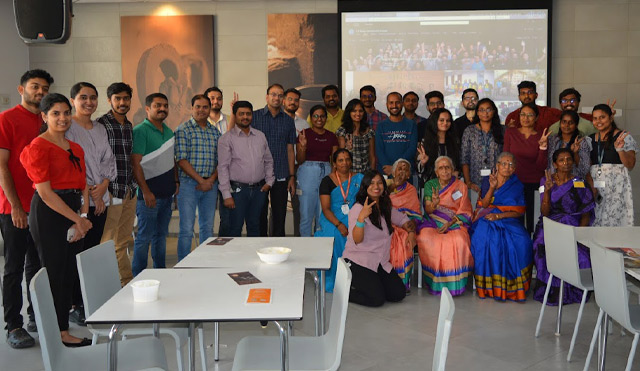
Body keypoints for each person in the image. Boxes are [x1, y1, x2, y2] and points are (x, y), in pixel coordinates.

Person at [20, 93, 92, 347]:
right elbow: (46, 193)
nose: (62, 118)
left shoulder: (76, 148)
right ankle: (57, 332)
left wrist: (83, 215)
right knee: (53, 273)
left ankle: (62, 329)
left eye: (65, 113)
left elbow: (84, 185)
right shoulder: (38, 147)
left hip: (74, 211)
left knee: (69, 272)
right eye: (55, 113)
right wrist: (78, 219)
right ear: (44, 116)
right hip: (51, 213)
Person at [0, 69, 51, 348]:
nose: (40, 92)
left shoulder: (46, 120)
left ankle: (35, 316)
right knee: (14, 267)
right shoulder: (6, 119)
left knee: (37, 264)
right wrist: (17, 208)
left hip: (41, 207)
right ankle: (13, 325)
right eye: (35, 87)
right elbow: (2, 166)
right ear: (21, 89)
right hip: (14, 207)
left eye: (44, 88)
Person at [65, 82, 117, 325]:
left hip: (101, 198)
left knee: (91, 251)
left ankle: (88, 299)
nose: (89, 102)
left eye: (93, 97)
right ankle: (75, 303)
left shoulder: (100, 128)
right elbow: (73, 163)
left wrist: (104, 185)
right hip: (79, 202)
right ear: (73, 100)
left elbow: (108, 159)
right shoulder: (68, 128)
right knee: (76, 253)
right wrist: (91, 194)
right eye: (83, 97)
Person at [343, 170, 415, 307]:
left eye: (379, 183)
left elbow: (403, 220)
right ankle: (346, 292)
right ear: (365, 187)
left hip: (380, 261)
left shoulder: (385, 206)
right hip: (359, 261)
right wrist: (361, 218)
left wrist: (411, 232)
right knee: (377, 300)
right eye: (371, 183)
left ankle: (374, 284)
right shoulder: (358, 209)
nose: (376, 186)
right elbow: (357, 239)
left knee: (398, 293)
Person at [532, 148, 595, 305]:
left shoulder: (579, 183)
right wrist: (547, 191)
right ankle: (551, 291)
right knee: (542, 246)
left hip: (573, 226)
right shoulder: (546, 181)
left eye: (568, 159)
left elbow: (586, 213)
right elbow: (545, 212)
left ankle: (573, 290)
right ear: (555, 164)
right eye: (561, 160)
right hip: (550, 225)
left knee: (581, 254)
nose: (565, 163)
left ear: (573, 162)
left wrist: (579, 235)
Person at [470, 152, 533, 302]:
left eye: (510, 164)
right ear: (497, 166)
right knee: (484, 238)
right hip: (486, 217)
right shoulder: (487, 180)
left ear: (514, 168)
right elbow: (484, 205)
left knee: (522, 241)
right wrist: (492, 187)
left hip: (508, 219)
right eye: (503, 164)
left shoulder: (517, 185)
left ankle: (513, 287)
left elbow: (518, 212)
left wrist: (499, 216)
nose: (507, 167)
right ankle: (488, 286)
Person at [131, 93, 177, 276]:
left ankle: (160, 273)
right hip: (148, 197)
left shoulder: (168, 131)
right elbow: (135, 164)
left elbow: (171, 160)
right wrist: (146, 191)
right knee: (144, 238)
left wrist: (176, 182)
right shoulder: (140, 131)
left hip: (167, 194)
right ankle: (138, 277)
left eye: (165, 105)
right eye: (158, 105)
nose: (162, 109)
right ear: (147, 108)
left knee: (160, 237)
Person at [97, 82, 137, 286]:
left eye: (126, 98)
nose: (122, 103)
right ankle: (110, 285)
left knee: (122, 241)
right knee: (109, 242)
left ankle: (124, 282)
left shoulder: (129, 126)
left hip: (129, 190)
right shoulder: (101, 125)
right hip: (111, 191)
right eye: (118, 99)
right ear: (109, 100)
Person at [417, 154, 474, 296]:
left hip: (455, 223)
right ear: (436, 172)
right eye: (441, 168)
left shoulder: (460, 186)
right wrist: (435, 204)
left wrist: (449, 223)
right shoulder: (430, 185)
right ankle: (436, 282)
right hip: (432, 222)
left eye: (447, 167)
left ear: (452, 169)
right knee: (426, 238)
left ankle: (455, 284)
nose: (445, 171)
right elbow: (428, 209)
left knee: (459, 241)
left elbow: (465, 210)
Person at [218, 101, 275, 237]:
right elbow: (223, 168)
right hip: (237, 192)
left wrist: (269, 182)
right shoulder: (226, 139)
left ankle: (252, 258)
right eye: (241, 114)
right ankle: (234, 258)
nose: (245, 117)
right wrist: (226, 194)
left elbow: (268, 161)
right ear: (235, 116)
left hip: (259, 191)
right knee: (234, 228)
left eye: (248, 114)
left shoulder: (260, 136)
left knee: (255, 227)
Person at [174, 94, 221, 261]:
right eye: (198, 107)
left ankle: (205, 262)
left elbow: (220, 160)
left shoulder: (215, 132)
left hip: (211, 185)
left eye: (205, 107)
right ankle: (184, 265)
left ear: (210, 109)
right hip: (189, 185)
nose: (201, 110)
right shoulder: (183, 130)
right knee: (186, 228)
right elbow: (181, 159)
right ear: (192, 108)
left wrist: (211, 180)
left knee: (207, 228)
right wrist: (202, 181)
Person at [314, 149, 363, 292]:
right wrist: (339, 224)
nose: (345, 163)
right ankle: (333, 279)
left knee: (358, 231)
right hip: (332, 216)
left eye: (347, 159)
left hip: (354, 214)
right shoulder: (327, 181)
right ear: (334, 163)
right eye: (340, 160)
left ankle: (355, 277)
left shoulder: (359, 179)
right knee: (334, 235)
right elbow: (326, 208)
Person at [253, 84, 296, 237]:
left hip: (281, 174)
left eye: (280, 95)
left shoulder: (288, 121)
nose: (276, 98)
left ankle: (278, 248)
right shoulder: (254, 117)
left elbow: (290, 150)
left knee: (279, 216)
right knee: (259, 215)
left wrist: (292, 176)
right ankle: (260, 247)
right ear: (267, 97)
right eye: (273, 94)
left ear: (283, 99)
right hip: (259, 175)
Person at [585, 104, 638, 227]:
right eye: (595, 118)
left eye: (602, 117)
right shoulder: (589, 139)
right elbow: (586, 166)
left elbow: (630, 164)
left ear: (611, 118)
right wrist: (591, 184)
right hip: (596, 187)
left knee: (615, 221)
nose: (598, 121)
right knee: (596, 220)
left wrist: (620, 149)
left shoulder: (623, 137)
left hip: (617, 187)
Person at [503, 102, 548, 234]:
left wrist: (542, 147)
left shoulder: (542, 136)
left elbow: (541, 166)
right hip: (514, 182)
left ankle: (531, 249)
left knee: (532, 221)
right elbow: (506, 157)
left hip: (534, 183)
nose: (525, 118)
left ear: (536, 117)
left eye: (530, 115)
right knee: (514, 219)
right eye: (523, 114)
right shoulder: (510, 133)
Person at [296, 105, 338, 237]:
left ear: (325, 118)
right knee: (306, 213)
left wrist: (334, 177)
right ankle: (305, 247)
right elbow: (300, 159)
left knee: (323, 214)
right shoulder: (304, 134)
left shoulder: (331, 136)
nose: (319, 119)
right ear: (311, 118)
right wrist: (302, 147)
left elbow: (335, 160)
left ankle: (321, 248)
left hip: (326, 172)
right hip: (307, 172)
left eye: (322, 116)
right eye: (316, 116)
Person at [387, 159, 422, 291]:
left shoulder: (411, 190)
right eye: (399, 169)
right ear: (393, 172)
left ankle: (401, 283)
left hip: (405, 226)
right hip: (387, 223)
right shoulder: (384, 186)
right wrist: (392, 187)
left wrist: (409, 228)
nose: (402, 172)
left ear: (409, 175)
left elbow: (416, 215)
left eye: (405, 169)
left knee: (402, 239)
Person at [461, 98, 504, 194]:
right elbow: (464, 159)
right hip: (474, 182)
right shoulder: (469, 131)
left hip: (497, 182)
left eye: (488, 109)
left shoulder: (502, 130)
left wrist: (502, 181)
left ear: (494, 111)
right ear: (477, 113)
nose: (485, 113)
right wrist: (468, 182)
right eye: (482, 110)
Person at [204, 86, 231, 237]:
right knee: (206, 218)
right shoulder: (199, 122)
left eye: (219, 98)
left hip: (227, 175)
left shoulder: (229, 120)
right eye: (212, 98)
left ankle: (224, 247)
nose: (216, 101)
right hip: (207, 175)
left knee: (226, 217)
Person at [284, 88, 308, 237]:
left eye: (296, 100)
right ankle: (275, 241)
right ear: (284, 101)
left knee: (299, 209)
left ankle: (299, 241)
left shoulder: (304, 124)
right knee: (277, 210)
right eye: (290, 99)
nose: (293, 102)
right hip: (280, 170)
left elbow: (304, 151)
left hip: (299, 171)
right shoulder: (277, 121)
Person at [375, 92, 418, 176]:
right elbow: (379, 150)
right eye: (391, 103)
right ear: (387, 105)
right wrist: (388, 167)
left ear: (402, 104)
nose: (394, 105)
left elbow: (412, 148)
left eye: (397, 102)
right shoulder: (381, 126)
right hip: (386, 171)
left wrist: (396, 166)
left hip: (405, 171)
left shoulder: (411, 124)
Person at [542, 110, 591, 180]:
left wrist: (575, 153)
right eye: (564, 122)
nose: (566, 125)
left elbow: (585, 170)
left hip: (574, 182)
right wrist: (542, 147)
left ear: (576, 125)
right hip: (554, 182)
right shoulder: (552, 140)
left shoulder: (581, 142)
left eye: (570, 123)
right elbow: (547, 165)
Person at [417, 108, 461, 184]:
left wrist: (457, 172)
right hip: (431, 184)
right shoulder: (425, 142)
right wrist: (423, 163)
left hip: (452, 184)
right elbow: (419, 171)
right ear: (435, 122)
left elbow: (459, 163)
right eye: (441, 120)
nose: (445, 123)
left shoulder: (455, 141)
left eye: (448, 121)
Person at [336, 98, 375, 173]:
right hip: (349, 174)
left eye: (360, 111)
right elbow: (340, 156)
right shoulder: (342, 131)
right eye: (354, 111)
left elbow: (372, 157)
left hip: (365, 174)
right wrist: (347, 148)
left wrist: (372, 176)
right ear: (349, 112)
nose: (358, 114)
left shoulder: (369, 132)